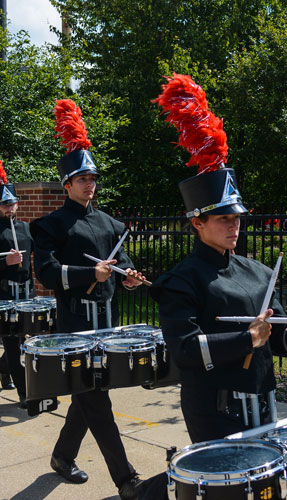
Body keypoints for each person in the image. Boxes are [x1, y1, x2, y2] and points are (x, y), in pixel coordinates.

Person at [150, 74, 287, 443]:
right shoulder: (181, 280)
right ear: (198, 222)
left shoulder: (259, 273)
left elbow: (277, 341)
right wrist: (245, 340)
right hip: (214, 409)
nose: (234, 226)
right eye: (223, 218)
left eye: (237, 218)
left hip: (264, 401)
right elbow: (184, 350)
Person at [30, 99, 144, 500]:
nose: (89, 184)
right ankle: (126, 479)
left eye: (93, 178)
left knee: (88, 394)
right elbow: (45, 272)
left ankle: (62, 456)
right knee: (97, 398)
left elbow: (122, 263)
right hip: (76, 324)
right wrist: (85, 275)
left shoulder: (112, 223)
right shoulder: (49, 224)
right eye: (82, 179)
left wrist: (127, 277)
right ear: (67, 185)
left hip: (109, 323)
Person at [0, 161, 33, 408]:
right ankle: (25, 394)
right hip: (3, 295)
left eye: (12, 203)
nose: (9, 208)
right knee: (13, 343)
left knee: (24, 341)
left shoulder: (26, 229)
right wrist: (6, 263)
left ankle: (4, 370)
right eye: (4, 204)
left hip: (26, 293)